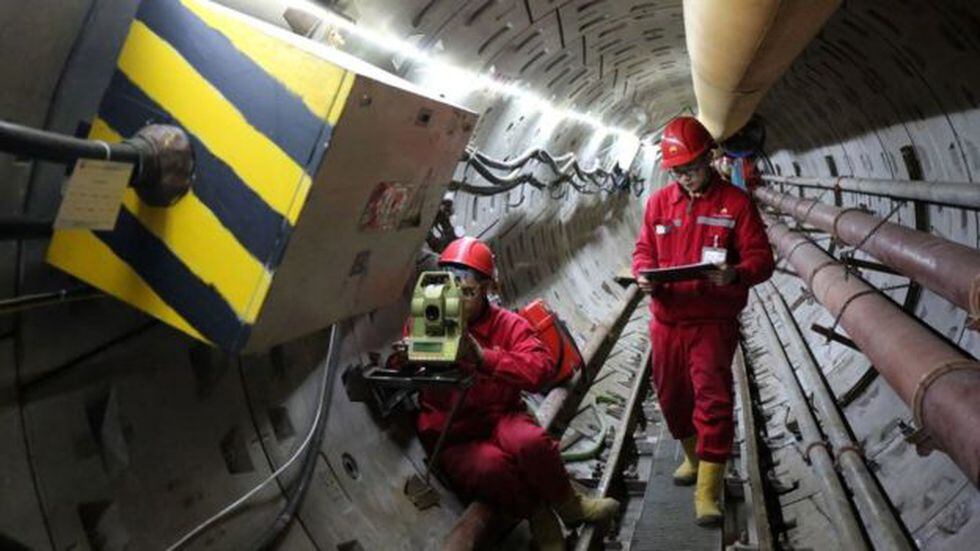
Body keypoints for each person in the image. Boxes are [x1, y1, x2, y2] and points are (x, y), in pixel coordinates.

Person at [393, 236, 618, 550]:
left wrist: (484, 358)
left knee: (531, 444)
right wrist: (404, 358)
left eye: (468, 291)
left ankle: (569, 504)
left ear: (487, 289)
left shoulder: (507, 324)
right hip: (454, 431)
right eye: (451, 288)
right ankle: (539, 516)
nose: (457, 299)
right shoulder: (428, 318)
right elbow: (404, 365)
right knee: (491, 468)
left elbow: (540, 368)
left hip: (501, 415)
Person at [632, 117, 774, 526]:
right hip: (667, 320)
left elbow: (762, 260)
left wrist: (736, 273)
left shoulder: (736, 203)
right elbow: (644, 249)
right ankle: (694, 458)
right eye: (678, 172)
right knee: (672, 397)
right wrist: (643, 272)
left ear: (709, 159)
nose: (686, 179)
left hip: (712, 321)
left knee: (712, 401)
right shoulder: (659, 203)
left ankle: (708, 489)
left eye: (691, 169)